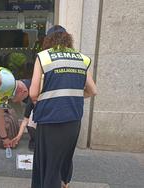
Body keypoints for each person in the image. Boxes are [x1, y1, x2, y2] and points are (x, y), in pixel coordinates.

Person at [30, 25, 97, 188]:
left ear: (48, 39)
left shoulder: (44, 57)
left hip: (49, 119)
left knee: (48, 163)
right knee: (64, 158)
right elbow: (92, 90)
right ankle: (64, 183)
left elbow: (32, 93)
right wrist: (72, 96)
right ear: (67, 38)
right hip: (73, 119)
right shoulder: (82, 59)